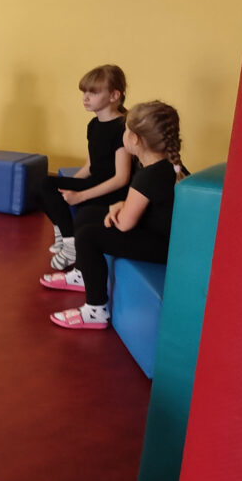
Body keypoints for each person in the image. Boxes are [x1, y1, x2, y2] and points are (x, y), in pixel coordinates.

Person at [40, 101, 187, 330]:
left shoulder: (148, 175)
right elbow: (146, 205)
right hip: (158, 233)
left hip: (160, 246)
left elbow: (125, 224)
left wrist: (116, 211)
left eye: (126, 131)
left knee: (89, 235)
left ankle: (95, 310)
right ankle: (82, 274)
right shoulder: (166, 166)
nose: (123, 135)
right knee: (88, 213)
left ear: (135, 139)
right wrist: (120, 206)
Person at [39, 65, 132, 269]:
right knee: (45, 185)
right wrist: (65, 186)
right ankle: (64, 235)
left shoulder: (122, 128)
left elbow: (121, 178)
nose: (85, 98)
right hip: (95, 182)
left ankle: (71, 245)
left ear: (114, 95)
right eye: (84, 92)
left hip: (113, 191)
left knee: (52, 188)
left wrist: (81, 196)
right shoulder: (94, 125)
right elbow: (90, 167)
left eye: (93, 92)